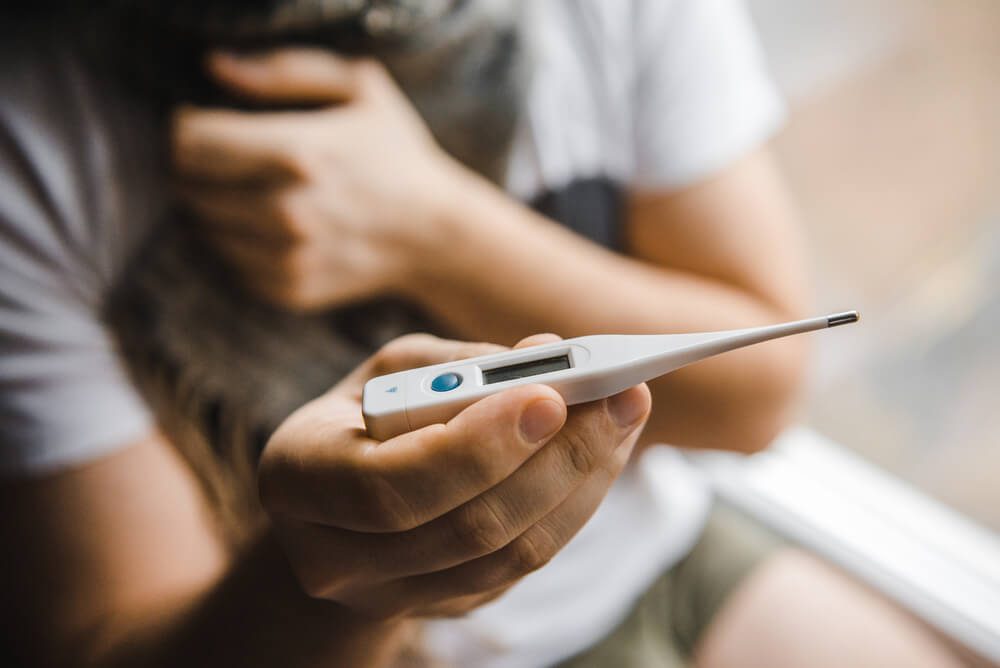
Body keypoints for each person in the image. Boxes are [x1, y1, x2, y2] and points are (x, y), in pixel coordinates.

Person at [0, 1, 969, 666]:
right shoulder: (35, 135)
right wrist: (331, 586)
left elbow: (756, 392)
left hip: (660, 561)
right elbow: (113, 639)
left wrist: (432, 231)